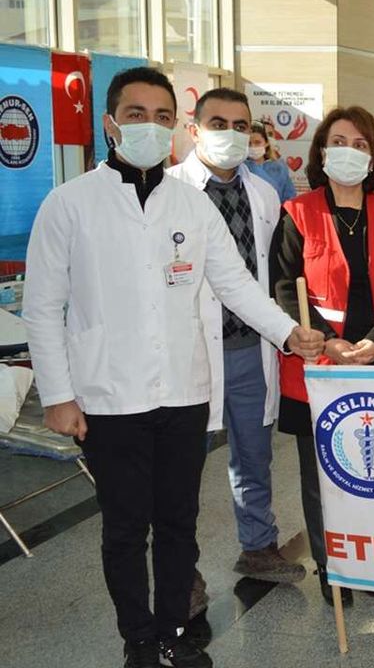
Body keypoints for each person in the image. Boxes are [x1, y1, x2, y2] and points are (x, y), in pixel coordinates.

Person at [24, 66, 324, 668]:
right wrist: (58, 395)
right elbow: (42, 307)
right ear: (110, 124)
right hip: (108, 396)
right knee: (125, 527)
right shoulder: (69, 204)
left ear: (174, 128)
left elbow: (235, 283)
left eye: (162, 116)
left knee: (179, 523)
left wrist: (289, 332)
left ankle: (173, 632)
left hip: (183, 393)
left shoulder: (191, 204)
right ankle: (138, 639)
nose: (151, 126)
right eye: (136, 115)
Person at [269, 106, 374, 608]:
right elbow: (284, 288)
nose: (349, 152)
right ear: (321, 151)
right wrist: (328, 341)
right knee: (322, 478)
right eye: (339, 142)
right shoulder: (297, 214)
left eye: (360, 144)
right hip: (319, 367)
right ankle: (332, 570)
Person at [167, 88, 307, 586]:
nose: (231, 134)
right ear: (194, 130)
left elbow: (268, 275)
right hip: (189, 351)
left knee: (254, 455)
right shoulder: (169, 191)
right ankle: (182, 573)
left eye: (240, 125)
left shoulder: (264, 193)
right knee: (182, 464)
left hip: (251, 347)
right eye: (218, 124)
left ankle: (259, 546)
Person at [246, 121, 296, 203]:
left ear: (266, 143)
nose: (253, 146)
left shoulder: (279, 168)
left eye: (257, 142)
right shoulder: (241, 167)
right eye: (249, 143)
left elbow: (289, 198)